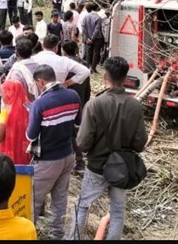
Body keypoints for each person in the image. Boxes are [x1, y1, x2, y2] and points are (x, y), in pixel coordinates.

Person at [66, 57, 148, 240]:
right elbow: (140, 142)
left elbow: (83, 143)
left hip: (97, 166)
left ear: (104, 77)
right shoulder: (135, 105)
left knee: (83, 206)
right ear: (126, 78)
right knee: (118, 211)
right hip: (122, 168)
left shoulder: (94, 104)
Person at [26, 65, 80, 240]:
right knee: (60, 199)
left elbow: (31, 135)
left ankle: (29, 234)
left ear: (40, 81)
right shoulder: (73, 95)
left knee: (34, 200)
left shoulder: (40, 103)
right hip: (68, 155)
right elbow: (76, 121)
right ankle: (57, 234)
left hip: (48, 159)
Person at [61, 40, 91, 172]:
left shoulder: (64, 66)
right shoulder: (84, 65)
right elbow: (88, 87)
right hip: (80, 101)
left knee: (70, 133)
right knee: (76, 130)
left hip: (67, 102)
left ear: (63, 51)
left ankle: (78, 163)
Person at [0, 79, 33, 165]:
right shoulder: (31, 108)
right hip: (27, 155)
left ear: (9, 93)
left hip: (9, 158)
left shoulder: (6, 113)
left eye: (3, 92)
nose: (2, 96)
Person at [82, 3, 104, 73]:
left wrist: (87, 37)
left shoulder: (86, 17)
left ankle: (88, 66)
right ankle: (93, 68)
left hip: (88, 38)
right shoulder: (98, 17)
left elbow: (84, 28)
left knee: (89, 52)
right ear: (95, 8)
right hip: (97, 38)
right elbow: (97, 30)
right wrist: (92, 38)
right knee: (95, 52)